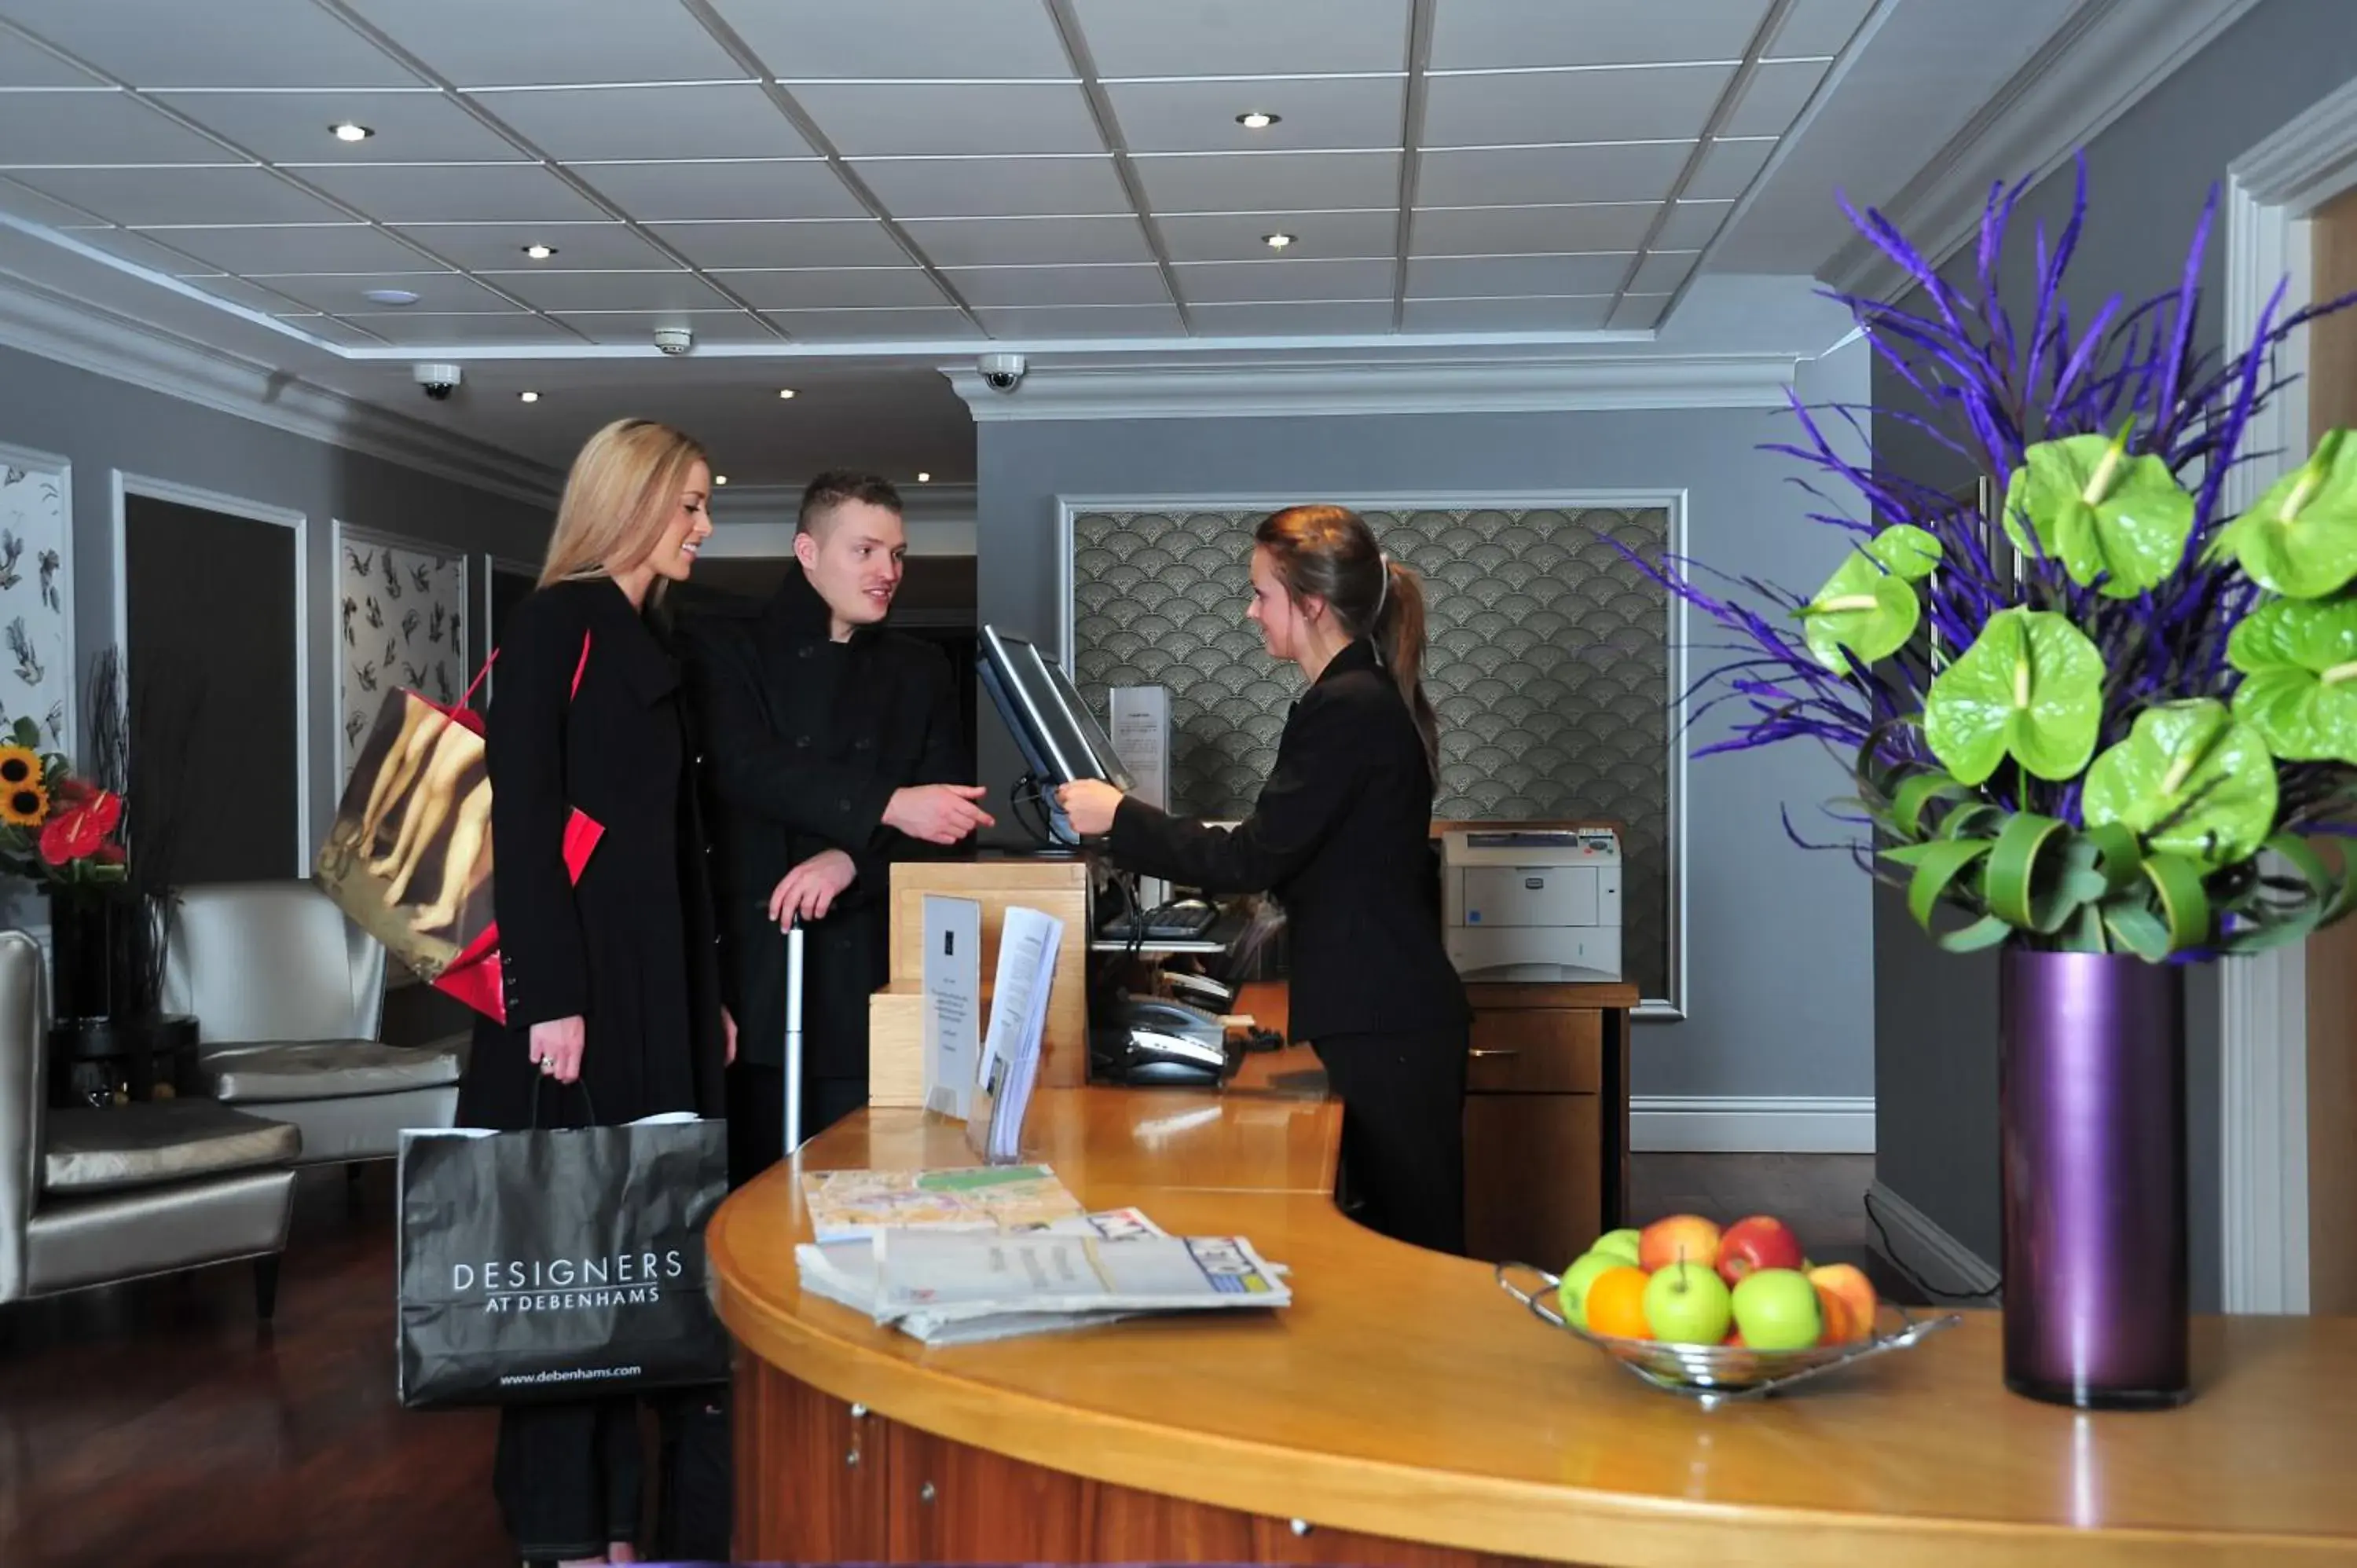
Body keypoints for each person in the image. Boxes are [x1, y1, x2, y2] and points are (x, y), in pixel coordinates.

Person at [454, 417, 734, 1567]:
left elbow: (677, 846)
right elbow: (521, 827)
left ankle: (620, 1525)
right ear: (631, 503)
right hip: (575, 1006)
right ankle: (565, 1530)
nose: (707, 527)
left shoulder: (636, 630)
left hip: (653, 998)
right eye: (692, 505)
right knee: (562, 1268)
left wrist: (702, 996)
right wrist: (549, 1004)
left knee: (632, 1263)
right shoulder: (555, 623)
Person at [1058, 505, 1471, 1255]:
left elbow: (1252, 858)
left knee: (1414, 1253)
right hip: (1387, 1014)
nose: (1251, 611)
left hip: (1386, 1020)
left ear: (1310, 604)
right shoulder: (1355, 697)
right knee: (1400, 1242)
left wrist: (1118, 816)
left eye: (1261, 594)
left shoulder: (1346, 708)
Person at [679, 471, 992, 1186]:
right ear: (807, 551)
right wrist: (886, 803)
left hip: (873, 982)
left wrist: (849, 859)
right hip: (756, 975)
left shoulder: (920, 669)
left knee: (872, 1181)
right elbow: (745, 768)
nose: (889, 573)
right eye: (866, 551)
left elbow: (948, 823)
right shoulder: (725, 648)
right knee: (750, 1193)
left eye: (899, 554)